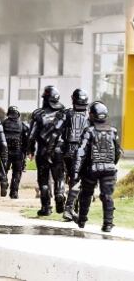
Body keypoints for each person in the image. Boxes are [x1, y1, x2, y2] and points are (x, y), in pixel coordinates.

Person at [72, 101, 120, 232]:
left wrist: (76, 172)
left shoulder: (89, 131)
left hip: (92, 169)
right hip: (109, 169)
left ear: (93, 115)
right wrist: (112, 164)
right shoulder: (113, 131)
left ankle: (82, 220)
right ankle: (108, 224)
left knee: (86, 194)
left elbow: (80, 152)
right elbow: (118, 152)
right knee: (107, 196)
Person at [28, 85, 66, 216]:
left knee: (43, 180)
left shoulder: (38, 114)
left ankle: (46, 208)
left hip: (43, 152)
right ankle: (60, 194)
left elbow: (31, 135)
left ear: (45, 98)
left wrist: (30, 150)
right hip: (59, 151)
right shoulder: (64, 113)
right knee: (59, 176)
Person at [58, 89, 90, 222]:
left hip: (67, 150)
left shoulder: (66, 113)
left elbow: (57, 130)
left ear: (73, 99)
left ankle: (60, 193)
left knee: (63, 174)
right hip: (81, 151)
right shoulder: (91, 115)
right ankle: (71, 208)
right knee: (77, 180)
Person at [0, 105, 29, 199]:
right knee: (17, 172)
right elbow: (26, 140)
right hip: (18, 152)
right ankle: (14, 192)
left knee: (2, 170)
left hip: (5, 152)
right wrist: (25, 153)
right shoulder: (22, 125)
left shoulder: (3, 123)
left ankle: (4, 181)